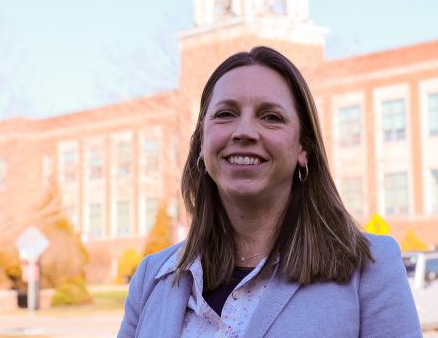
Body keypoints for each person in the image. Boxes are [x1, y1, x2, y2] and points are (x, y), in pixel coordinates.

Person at [118, 46, 421, 337]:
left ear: (304, 147)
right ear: (201, 142)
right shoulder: (152, 277)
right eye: (225, 114)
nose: (244, 132)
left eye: (271, 117)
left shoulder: (369, 269)